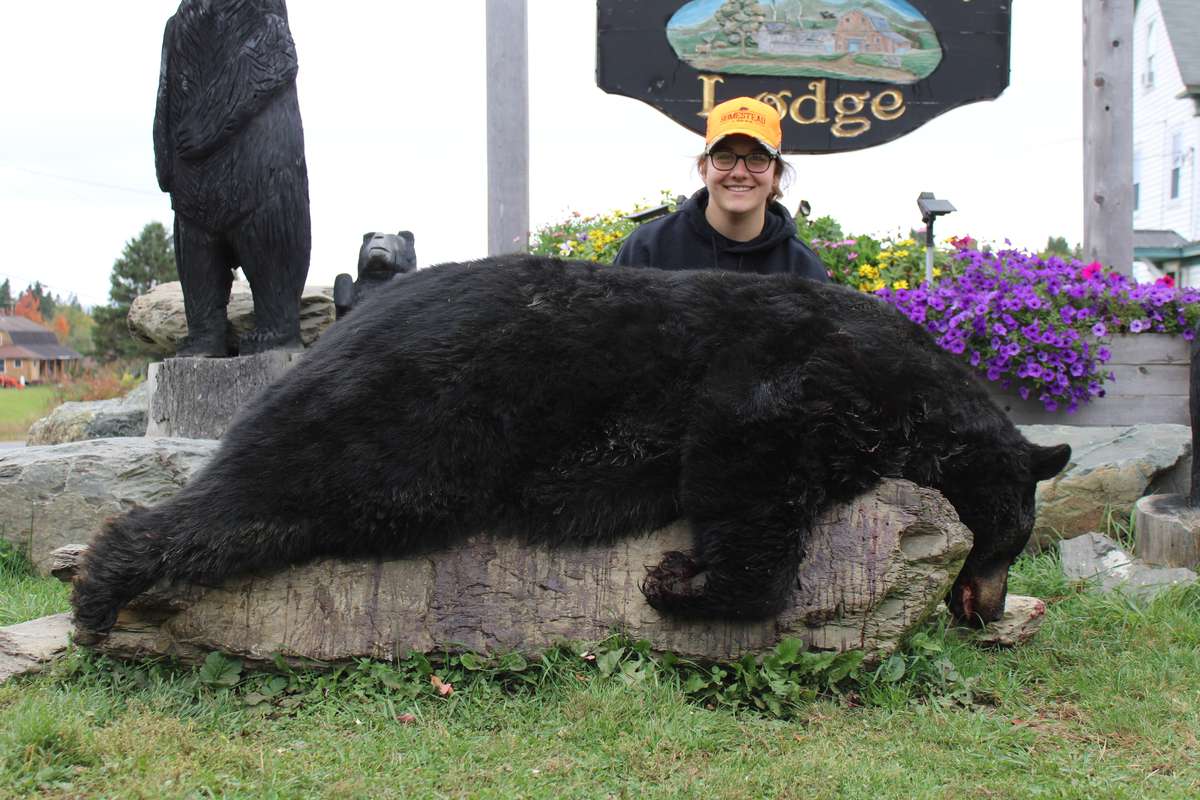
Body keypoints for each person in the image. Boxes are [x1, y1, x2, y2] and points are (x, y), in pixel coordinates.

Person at [613, 97, 828, 282]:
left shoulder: (802, 268)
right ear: (704, 169)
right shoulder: (648, 247)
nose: (739, 172)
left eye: (757, 159)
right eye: (725, 157)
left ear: (776, 175)